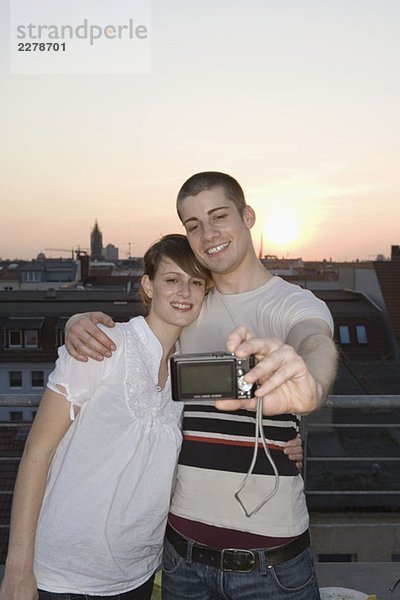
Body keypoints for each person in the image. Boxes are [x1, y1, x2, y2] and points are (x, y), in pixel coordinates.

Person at [63, 172, 338, 600]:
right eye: (193, 225)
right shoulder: (186, 306)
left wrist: (314, 387)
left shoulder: (293, 303)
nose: (207, 234)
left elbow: (315, 341)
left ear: (247, 216)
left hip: (271, 564)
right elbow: (133, 346)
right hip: (181, 558)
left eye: (219, 216)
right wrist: (77, 322)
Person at [0, 234, 211, 600]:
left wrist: (285, 442)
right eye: (172, 279)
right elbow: (37, 452)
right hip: (66, 574)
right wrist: (18, 568)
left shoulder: (191, 368)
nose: (185, 292)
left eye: (196, 282)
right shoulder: (103, 346)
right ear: (148, 285)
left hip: (137, 572)